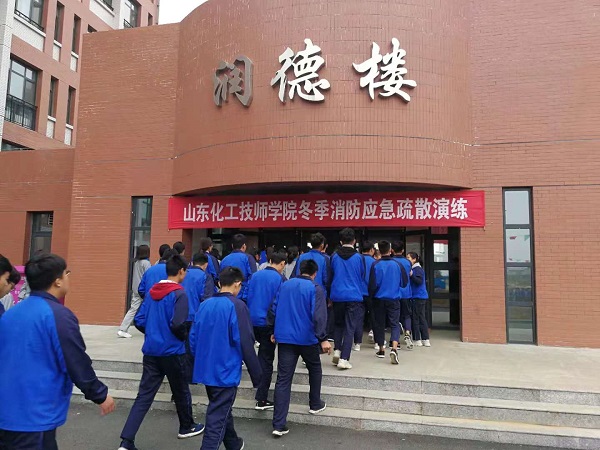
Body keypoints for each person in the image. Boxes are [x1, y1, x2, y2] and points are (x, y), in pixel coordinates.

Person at [0, 253, 115, 448]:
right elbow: (75, 360)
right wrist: (100, 394)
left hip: (7, 412)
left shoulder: (10, 314)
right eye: (66, 273)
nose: (68, 278)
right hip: (34, 416)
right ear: (57, 281)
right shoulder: (58, 315)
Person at [119, 254, 204, 450]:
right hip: (173, 351)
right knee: (181, 390)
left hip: (151, 351)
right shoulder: (179, 294)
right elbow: (178, 323)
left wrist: (153, 333)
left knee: (144, 396)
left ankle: (126, 440)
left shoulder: (152, 292)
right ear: (181, 271)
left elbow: (139, 320)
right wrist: (182, 337)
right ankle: (186, 426)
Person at [190, 267, 261, 450]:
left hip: (207, 368)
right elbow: (246, 342)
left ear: (220, 283)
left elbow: (193, 338)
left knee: (220, 409)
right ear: (237, 284)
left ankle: (233, 443)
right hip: (225, 370)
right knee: (217, 418)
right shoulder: (238, 306)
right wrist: (257, 376)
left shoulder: (205, 304)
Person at [270, 260, 330, 437]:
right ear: (314, 273)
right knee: (315, 368)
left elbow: (274, 308)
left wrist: (274, 330)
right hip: (307, 338)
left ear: (299, 270)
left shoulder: (285, 285)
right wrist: (323, 338)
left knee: (283, 379)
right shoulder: (316, 288)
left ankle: (278, 424)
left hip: (285, 338)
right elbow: (319, 316)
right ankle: (315, 403)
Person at [246, 251, 286, 411]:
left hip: (252, 320)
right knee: (266, 360)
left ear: (269, 260)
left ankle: (257, 387)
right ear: (282, 263)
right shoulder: (280, 279)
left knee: (258, 357)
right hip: (268, 323)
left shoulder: (255, 276)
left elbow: (247, 295)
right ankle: (261, 398)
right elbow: (278, 304)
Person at [329, 228, 365, 370]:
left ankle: (337, 350)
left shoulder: (334, 256)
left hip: (337, 295)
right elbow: (362, 275)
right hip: (353, 295)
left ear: (340, 241)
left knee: (338, 324)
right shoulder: (359, 257)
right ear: (354, 241)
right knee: (350, 327)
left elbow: (330, 275)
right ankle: (344, 358)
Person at [369, 241, 409, 364]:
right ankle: (394, 348)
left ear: (379, 251)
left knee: (379, 324)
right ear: (390, 250)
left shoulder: (375, 265)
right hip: (394, 298)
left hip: (379, 299)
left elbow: (372, 285)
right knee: (394, 324)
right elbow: (404, 283)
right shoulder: (397, 265)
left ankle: (381, 349)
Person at [294, 233, 332, 340]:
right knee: (318, 318)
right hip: (319, 293)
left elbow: (296, 274)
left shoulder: (301, 257)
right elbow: (326, 279)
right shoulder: (325, 259)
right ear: (322, 245)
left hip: (301, 291)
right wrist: (329, 297)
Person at [118, 245, 152, 338]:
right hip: (143, 290)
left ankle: (123, 328)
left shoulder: (137, 262)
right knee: (144, 309)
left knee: (133, 309)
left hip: (136, 289)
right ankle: (123, 329)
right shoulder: (146, 263)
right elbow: (149, 276)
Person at [220, 234, 257, 301]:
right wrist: (245, 296)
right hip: (242, 297)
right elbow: (253, 278)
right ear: (244, 246)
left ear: (232, 245)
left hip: (226, 297)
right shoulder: (248, 258)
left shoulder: (224, 259)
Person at [392, 241, 415, 350]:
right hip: (406, 293)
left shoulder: (391, 261)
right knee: (407, 315)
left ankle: (395, 341)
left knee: (394, 317)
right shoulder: (408, 262)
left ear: (392, 250)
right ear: (403, 250)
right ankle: (407, 332)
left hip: (394, 293)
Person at [407, 252, 431, 347]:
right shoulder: (417, 269)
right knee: (421, 317)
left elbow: (419, 281)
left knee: (416, 318)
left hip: (417, 296)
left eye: (408, 257)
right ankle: (425, 339)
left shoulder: (417, 269)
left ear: (414, 259)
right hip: (419, 297)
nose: (407, 259)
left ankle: (417, 339)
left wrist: (411, 275)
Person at [182, 252, 213, 323]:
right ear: (206, 264)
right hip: (196, 317)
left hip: (180, 316)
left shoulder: (182, 274)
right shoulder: (206, 276)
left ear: (192, 263)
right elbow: (207, 299)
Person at [358, 241, 376, 350]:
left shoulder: (357, 260)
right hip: (371, 293)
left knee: (359, 317)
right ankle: (374, 335)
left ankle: (357, 342)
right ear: (371, 250)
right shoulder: (374, 262)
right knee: (374, 315)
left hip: (359, 293)